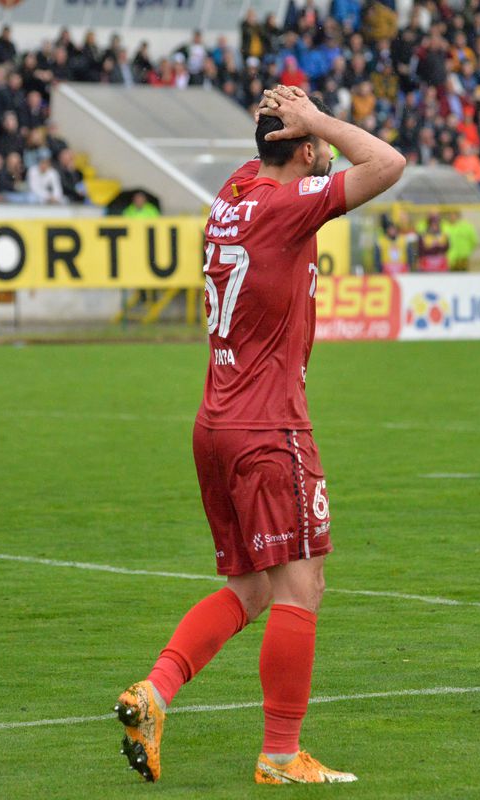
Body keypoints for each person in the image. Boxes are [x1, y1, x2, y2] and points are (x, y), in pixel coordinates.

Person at [113, 84, 404, 785]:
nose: (326, 153)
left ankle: (154, 693)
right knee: (302, 586)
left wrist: (285, 121)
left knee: (250, 589)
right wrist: (317, 120)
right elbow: (387, 163)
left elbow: (273, 158)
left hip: (214, 423)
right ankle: (280, 754)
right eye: (317, 147)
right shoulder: (285, 205)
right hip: (269, 426)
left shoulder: (234, 191)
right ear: (302, 148)